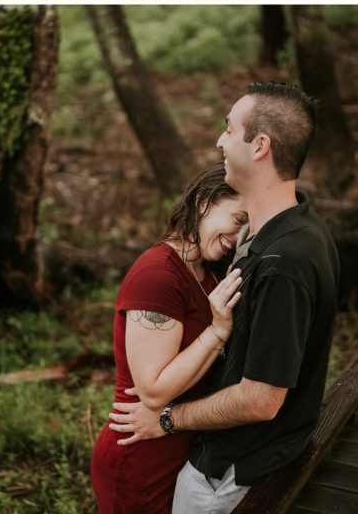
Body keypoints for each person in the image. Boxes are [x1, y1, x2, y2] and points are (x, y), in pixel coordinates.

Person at [108, 82, 340, 514]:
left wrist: (167, 419)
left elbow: (260, 398)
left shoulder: (281, 259)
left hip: (228, 471)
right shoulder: (295, 231)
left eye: (230, 130)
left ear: (260, 146)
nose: (220, 141)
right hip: (229, 458)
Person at [90, 162, 248, 514]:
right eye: (238, 220)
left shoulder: (208, 270)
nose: (237, 238)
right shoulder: (157, 277)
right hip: (140, 460)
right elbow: (153, 391)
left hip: (180, 454)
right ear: (203, 202)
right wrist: (218, 331)